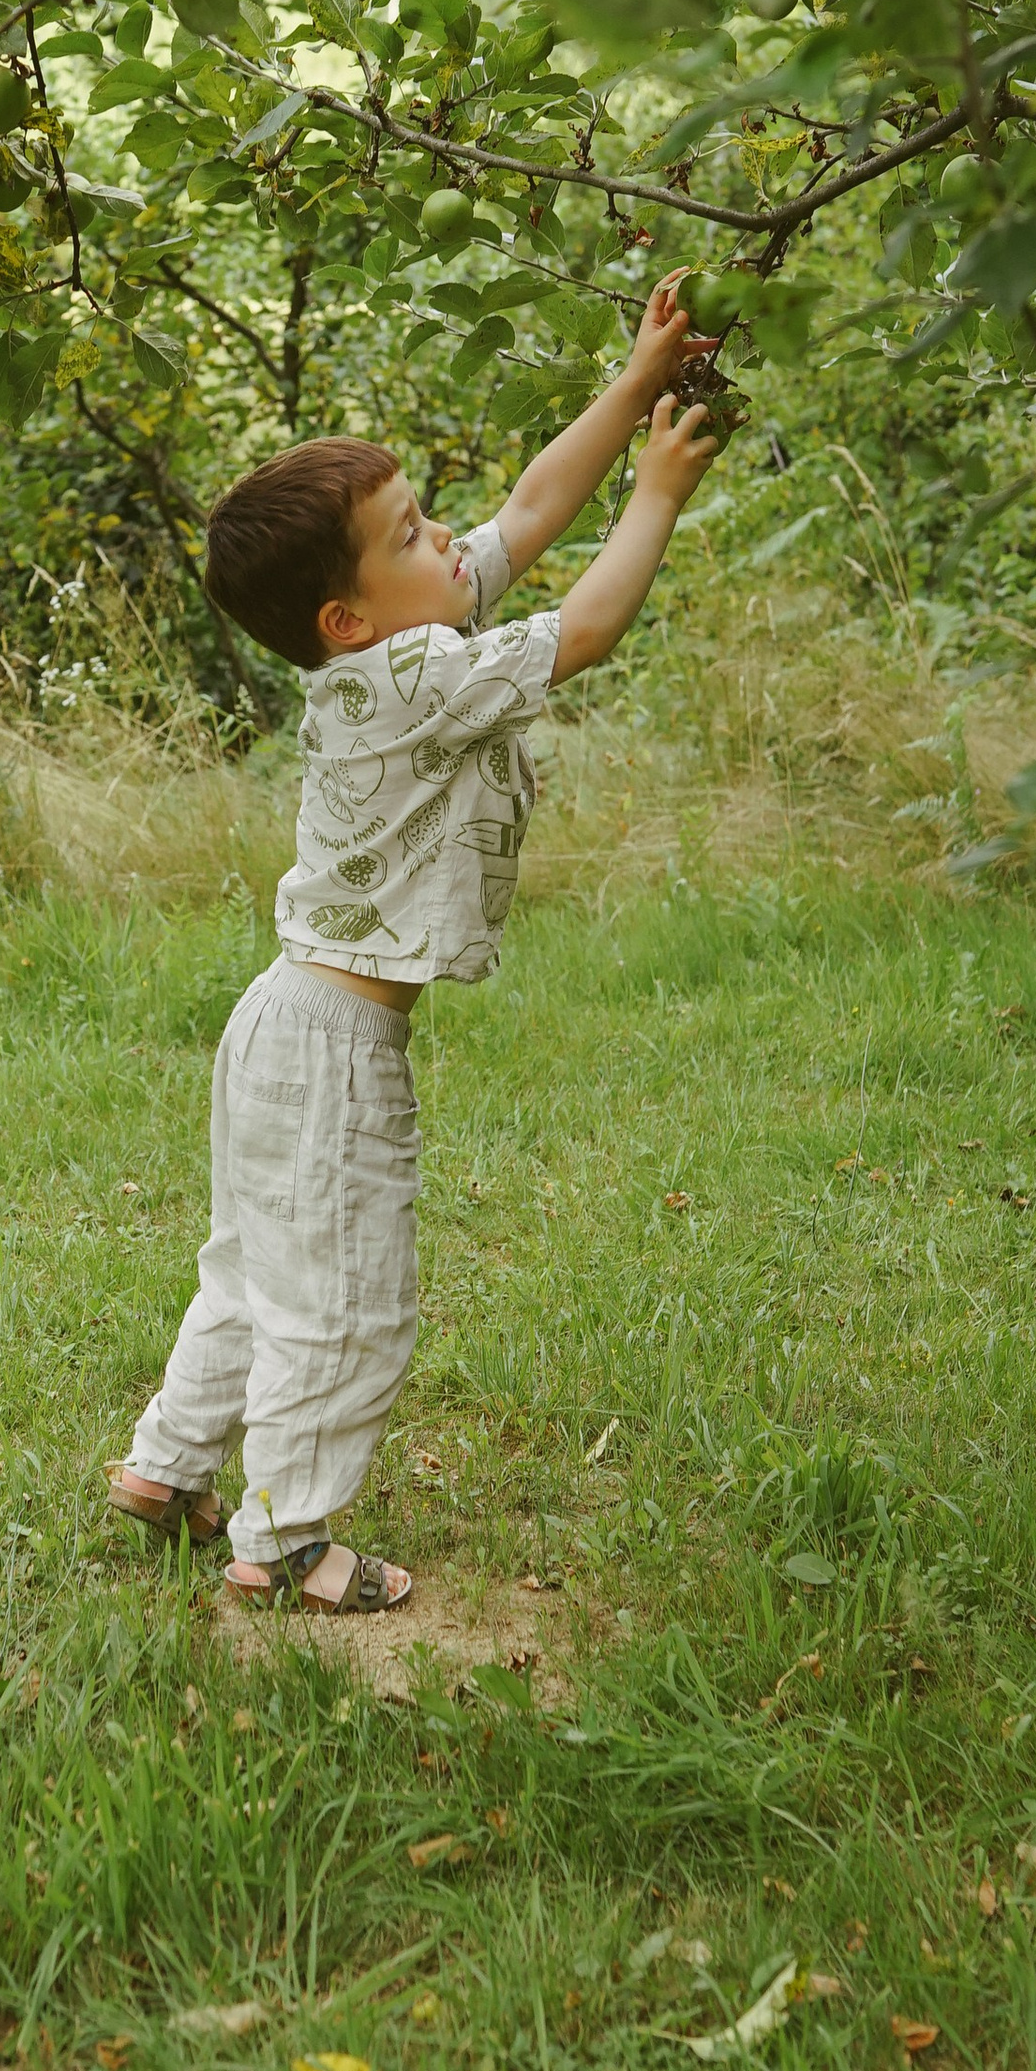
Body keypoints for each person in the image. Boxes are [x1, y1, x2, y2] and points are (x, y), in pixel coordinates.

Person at [108, 276, 720, 1612]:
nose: (448, 537)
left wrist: (633, 385)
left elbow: (528, 515)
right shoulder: (414, 675)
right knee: (350, 1300)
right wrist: (660, 488)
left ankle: (166, 1469)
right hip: (332, 1050)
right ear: (350, 619)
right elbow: (591, 625)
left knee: (259, 1265)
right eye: (409, 532)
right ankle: (285, 1545)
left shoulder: (401, 636)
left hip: (283, 1024)